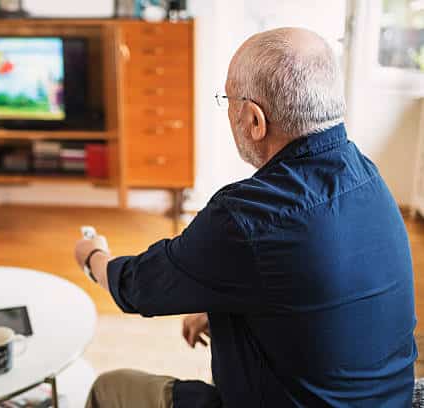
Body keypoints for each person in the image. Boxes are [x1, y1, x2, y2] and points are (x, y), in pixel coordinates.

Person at [74, 27, 417, 408]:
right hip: (391, 400)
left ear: (255, 120)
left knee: (110, 388)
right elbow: (317, 288)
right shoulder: (367, 174)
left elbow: (137, 287)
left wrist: (93, 258)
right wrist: (214, 307)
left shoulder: (246, 220)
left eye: (228, 100)